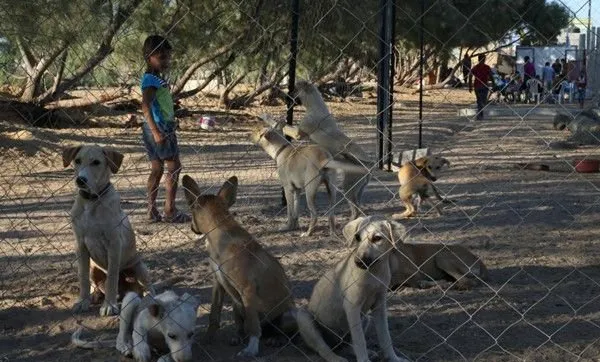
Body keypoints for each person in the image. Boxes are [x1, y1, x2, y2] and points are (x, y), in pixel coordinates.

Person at [140, 35, 190, 223]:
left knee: (157, 169)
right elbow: (145, 105)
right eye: (161, 58)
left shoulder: (155, 79)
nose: (166, 61)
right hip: (160, 128)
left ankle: (152, 211)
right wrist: (156, 132)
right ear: (148, 56)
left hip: (158, 126)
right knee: (174, 167)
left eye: (168, 57)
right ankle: (170, 210)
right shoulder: (151, 80)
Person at [469, 54, 492, 120]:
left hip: (477, 86)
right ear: (484, 59)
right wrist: (494, 83)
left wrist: (470, 86)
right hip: (484, 86)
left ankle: (480, 114)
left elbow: (470, 76)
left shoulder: (475, 67)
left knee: (479, 100)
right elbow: (491, 76)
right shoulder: (486, 67)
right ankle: (480, 114)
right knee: (483, 101)